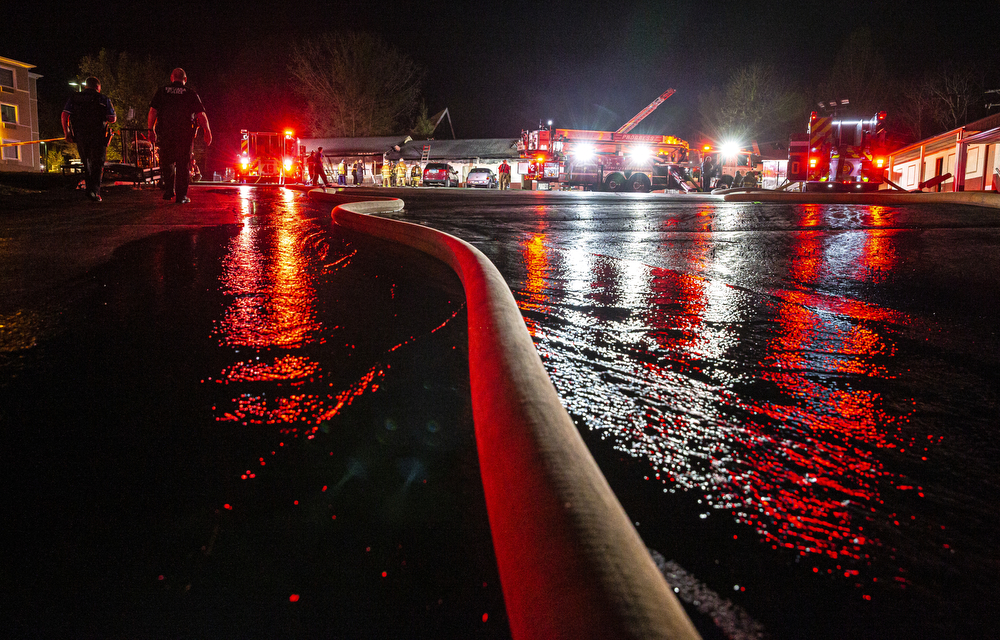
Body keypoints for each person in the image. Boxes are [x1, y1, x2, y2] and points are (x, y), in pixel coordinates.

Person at [148, 68, 211, 203]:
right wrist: (207, 131)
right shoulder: (190, 93)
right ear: (185, 79)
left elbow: (153, 111)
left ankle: (169, 190)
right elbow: (201, 114)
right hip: (184, 134)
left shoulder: (162, 91)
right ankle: (181, 196)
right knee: (183, 164)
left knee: (167, 162)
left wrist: (150, 130)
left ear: (172, 77)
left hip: (165, 133)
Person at [61, 76, 116, 202]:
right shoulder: (102, 98)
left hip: (80, 135)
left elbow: (64, 115)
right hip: (98, 135)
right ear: (98, 87)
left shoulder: (74, 98)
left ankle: (89, 189)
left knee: (86, 163)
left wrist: (67, 132)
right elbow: (112, 118)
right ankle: (94, 191)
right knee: (97, 163)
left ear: (86, 86)